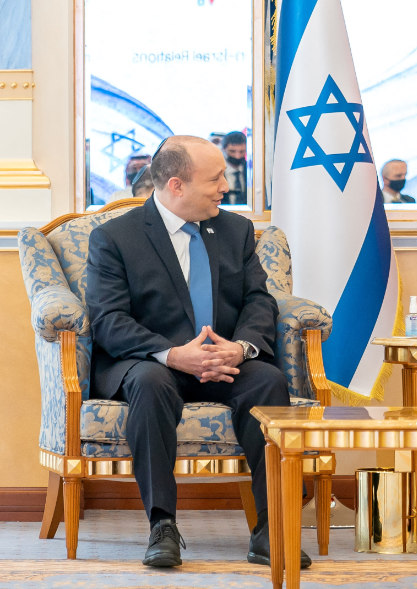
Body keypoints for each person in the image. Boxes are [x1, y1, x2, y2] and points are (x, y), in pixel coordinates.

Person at [86, 135, 311, 569]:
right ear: (176, 185)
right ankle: (162, 525)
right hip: (152, 364)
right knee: (150, 385)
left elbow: (259, 301)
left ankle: (270, 528)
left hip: (225, 360)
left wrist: (241, 348)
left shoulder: (235, 230)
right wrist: (172, 354)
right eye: (216, 178)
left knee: (269, 380)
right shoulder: (114, 237)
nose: (225, 186)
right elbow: (108, 320)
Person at [221, 131, 248, 206]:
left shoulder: (251, 171)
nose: (237, 156)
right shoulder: (214, 170)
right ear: (223, 149)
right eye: (232, 151)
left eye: (242, 151)